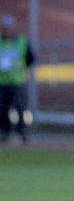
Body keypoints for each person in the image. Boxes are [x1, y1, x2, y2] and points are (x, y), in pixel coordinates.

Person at [0, 14, 34, 144]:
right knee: (3, 108)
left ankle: (22, 131)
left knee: (20, 107)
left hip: (17, 81)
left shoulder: (21, 42)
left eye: (10, 28)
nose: (8, 30)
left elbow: (30, 58)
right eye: (6, 28)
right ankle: (5, 131)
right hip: (2, 82)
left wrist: (21, 67)